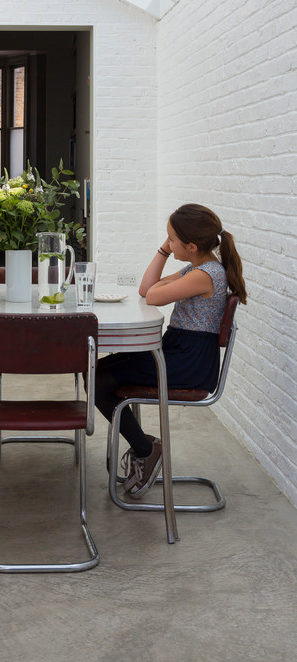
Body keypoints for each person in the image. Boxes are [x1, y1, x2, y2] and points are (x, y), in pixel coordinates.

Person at [94, 204, 247, 498]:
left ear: (191, 246)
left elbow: (152, 297)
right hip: (178, 350)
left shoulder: (205, 276)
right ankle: (146, 447)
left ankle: (146, 450)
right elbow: (145, 288)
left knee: (100, 379)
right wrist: (165, 251)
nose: (168, 243)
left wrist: (163, 256)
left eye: (171, 239)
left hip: (188, 362)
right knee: (98, 373)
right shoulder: (197, 268)